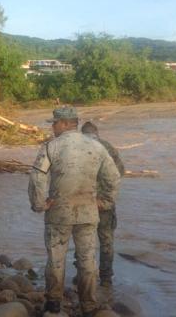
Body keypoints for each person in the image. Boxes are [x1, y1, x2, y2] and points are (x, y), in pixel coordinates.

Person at [28, 106, 120, 317]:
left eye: (54, 123)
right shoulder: (96, 147)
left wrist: (39, 204)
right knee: (88, 259)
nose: (52, 127)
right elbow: (113, 177)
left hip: (59, 212)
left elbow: (37, 177)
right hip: (88, 211)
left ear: (65, 124)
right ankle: (88, 306)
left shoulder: (51, 146)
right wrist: (104, 201)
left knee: (56, 259)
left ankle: (53, 304)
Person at [81, 121, 124, 287]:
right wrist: (107, 196)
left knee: (83, 239)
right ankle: (106, 278)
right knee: (106, 240)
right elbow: (119, 172)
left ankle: (83, 275)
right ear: (97, 133)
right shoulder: (108, 147)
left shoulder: (76, 148)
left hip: (83, 201)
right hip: (104, 202)